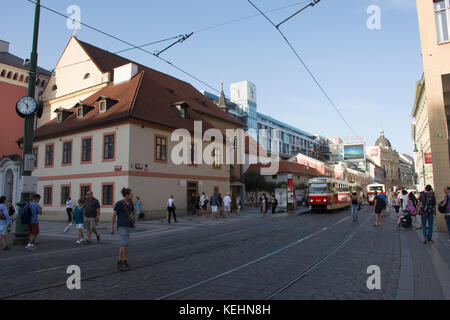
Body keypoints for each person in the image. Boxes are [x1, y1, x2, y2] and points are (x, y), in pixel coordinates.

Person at [111, 188, 137, 271]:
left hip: (128, 226)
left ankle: (120, 261)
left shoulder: (131, 203)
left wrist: (135, 222)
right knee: (124, 244)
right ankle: (124, 261)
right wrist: (112, 227)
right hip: (121, 226)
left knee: (124, 244)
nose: (132, 195)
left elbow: (134, 213)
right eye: (131, 194)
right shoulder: (119, 203)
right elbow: (114, 216)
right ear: (127, 195)